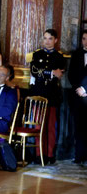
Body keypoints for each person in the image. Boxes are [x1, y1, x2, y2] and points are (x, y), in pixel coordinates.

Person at [29, 29, 65, 164]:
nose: (47, 41)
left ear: (55, 40)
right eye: (45, 38)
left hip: (52, 94)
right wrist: (50, 72)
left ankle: (49, 154)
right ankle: (39, 154)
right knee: (39, 126)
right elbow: (34, 71)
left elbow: (60, 73)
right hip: (38, 93)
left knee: (50, 126)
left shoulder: (59, 57)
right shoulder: (37, 54)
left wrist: (44, 73)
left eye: (50, 38)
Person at [68, 30, 87, 164]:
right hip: (77, 96)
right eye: (84, 39)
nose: (86, 41)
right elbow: (71, 74)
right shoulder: (76, 54)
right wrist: (78, 89)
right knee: (78, 126)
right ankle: (79, 155)